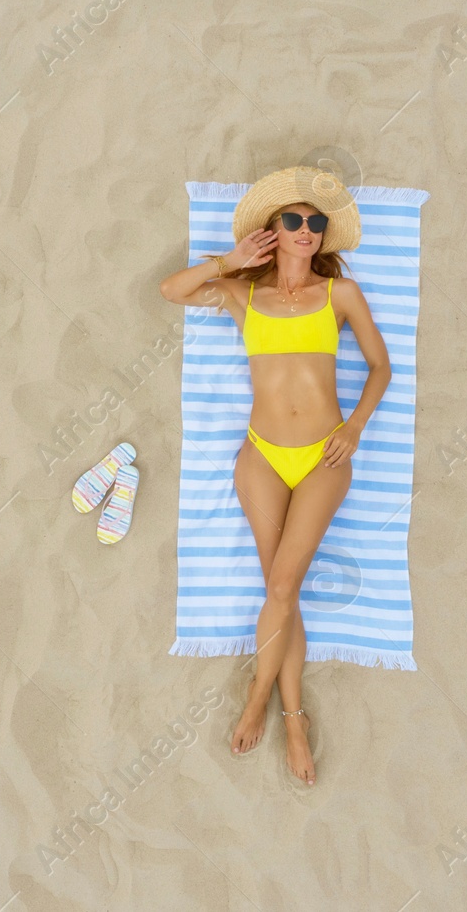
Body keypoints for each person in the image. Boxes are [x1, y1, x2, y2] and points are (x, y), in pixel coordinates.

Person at [158, 167, 392, 785]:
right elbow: (171, 291)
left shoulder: (340, 295)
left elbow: (380, 367)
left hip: (323, 456)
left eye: (317, 224)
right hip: (260, 456)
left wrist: (355, 427)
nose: (308, 231)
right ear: (271, 231)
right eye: (294, 221)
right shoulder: (245, 294)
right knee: (278, 590)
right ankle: (296, 716)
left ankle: (264, 701)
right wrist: (226, 262)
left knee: (283, 584)